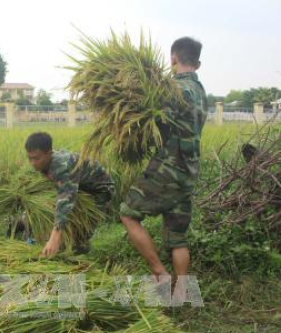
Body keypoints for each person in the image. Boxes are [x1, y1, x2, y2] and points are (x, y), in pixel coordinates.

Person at [119, 37, 207, 296]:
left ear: (172, 59)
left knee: (128, 213)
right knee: (177, 237)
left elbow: (153, 124)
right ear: (198, 63)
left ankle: (159, 272)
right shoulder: (202, 93)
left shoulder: (171, 89)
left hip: (168, 169)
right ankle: (180, 295)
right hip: (189, 173)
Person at [25, 132, 114, 256]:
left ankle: (80, 255)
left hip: (98, 190)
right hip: (79, 185)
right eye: (30, 158)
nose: (33, 163)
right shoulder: (45, 163)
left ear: (49, 153)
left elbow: (66, 200)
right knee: (54, 214)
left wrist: (54, 237)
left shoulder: (62, 167)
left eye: (36, 158)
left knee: (81, 232)